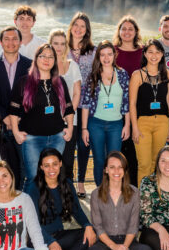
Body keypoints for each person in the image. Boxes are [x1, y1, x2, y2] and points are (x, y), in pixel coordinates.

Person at [80, 151, 153, 250]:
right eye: (112, 167)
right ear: (106, 170)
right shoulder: (96, 194)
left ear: (125, 170)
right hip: (105, 242)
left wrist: (124, 247)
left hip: (128, 241)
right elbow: (98, 227)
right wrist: (114, 247)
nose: (116, 171)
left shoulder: (134, 192)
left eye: (120, 167)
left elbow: (133, 226)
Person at [9, 43, 74, 185]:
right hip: (32, 139)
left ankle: (51, 207)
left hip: (57, 138)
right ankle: (33, 207)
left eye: (51, 57)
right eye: (43, 56)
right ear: (36, 59)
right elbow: (13, 110)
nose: (47, 59)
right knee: (33, 177)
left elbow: (68, 107)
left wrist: (70, 127)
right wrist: (16, 131)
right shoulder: (24, 82)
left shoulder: (59, 81)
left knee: (53, 178)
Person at [26, 148, 96, 250]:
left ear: (60, 164)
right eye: (46, 165)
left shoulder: (67, 184)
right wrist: (50, 242)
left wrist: (87, 225)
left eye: (54, 164)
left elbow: (77, 211)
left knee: (89, 233)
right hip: (38, 240)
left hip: (59, 236)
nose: (51, 169)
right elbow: (32, 224)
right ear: (41, 167)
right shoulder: (33, 188)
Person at [80, 40, 131, 185]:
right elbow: (85, 105)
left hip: (116, 124)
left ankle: (114, 190)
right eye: (102, 55)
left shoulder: (122, 75)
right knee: (99, 159)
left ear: (115, 55)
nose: (106, 58)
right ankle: (100, 192)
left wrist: (127, 125)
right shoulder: (93, 76)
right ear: (98, 57)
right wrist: (84, 128)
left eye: (109, 54)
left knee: (115, 160)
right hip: (96, 124)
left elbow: (126, 102)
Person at [130, 39, 169, 183]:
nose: (154, 55)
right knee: (144, 164)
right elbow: (132, 103)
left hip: (162, 122)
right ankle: (143, 200)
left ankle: (156, 197)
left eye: (157, 52)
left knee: (158, 163)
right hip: (143, 123)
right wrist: (134, 128)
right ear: (145, 54)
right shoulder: (137, 75)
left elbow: (168, 101)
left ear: (162, 54)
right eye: (150, 52)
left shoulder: (167, 73)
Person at [0, 26, 31, 140]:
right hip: (0, 123)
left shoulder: (30, 65)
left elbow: (31, 95)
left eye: (14, 39)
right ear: (1, 42)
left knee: (22, 158)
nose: (11, 42)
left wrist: (17, 117)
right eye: (6, 39)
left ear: (20, 42)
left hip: (24, 122)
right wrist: (4, 116)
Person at [48, 29, 83, 185]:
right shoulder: (45, 65)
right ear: (50, 44)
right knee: (51, 160)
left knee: (68, 161)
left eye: (62, 44)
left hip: (70, 121)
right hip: (48, 121)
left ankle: (68, 194)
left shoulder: (72, 65)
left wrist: (69, 115)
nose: (59, 47)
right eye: (55, 43)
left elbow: (77, 93)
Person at [67, 12, 96, 197]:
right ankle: (67, 182)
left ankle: (81, 183)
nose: (78, 29)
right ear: (71, 27)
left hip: (87, 104)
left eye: (82, 26)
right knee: (68, 143)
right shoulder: (62, 48)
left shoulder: (93, 51)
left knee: (84, 145)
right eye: (75, 25)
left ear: (87, 31)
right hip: (67, 103)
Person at [113, 15, 143, 184]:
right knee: (121, 146)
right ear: (119, 31)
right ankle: (121, 184)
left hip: (138, 105)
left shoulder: (143, 52)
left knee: (135, 146)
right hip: (118, 105)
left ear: (136, 32)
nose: (127, 32)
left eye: (130, 29)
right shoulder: (113, 51)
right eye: (123, 28)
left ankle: (134, 185)